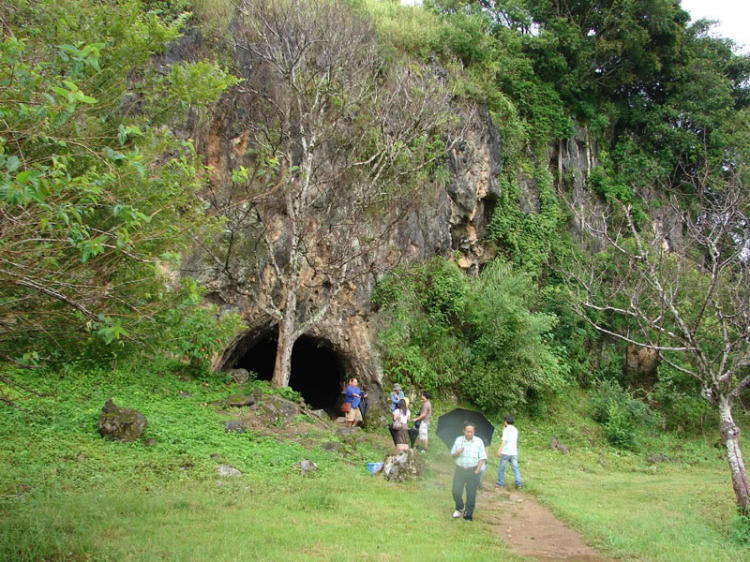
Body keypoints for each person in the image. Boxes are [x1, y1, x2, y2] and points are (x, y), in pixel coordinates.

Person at [450, 423, 486, 521]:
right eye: (467, 431)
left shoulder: (479, 441)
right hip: (460, 469)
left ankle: (468, 514)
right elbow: (452, 454)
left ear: (474, 432)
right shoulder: (459, 440)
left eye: (471, 431)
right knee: (456, 491)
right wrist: (458, 452)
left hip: (473, 470)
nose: (469, 433)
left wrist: (477, 470)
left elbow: (482, 457)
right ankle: (459, 507)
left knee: (471, 493)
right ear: (464, 431)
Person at [496, 415, 522, 490]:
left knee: (502, 468)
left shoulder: (506, 430)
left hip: (506, 452)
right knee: (515, 468)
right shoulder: (515, 430)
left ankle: (500, 483)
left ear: (506, 422)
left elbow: (504, 441)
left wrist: (499, 450)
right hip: (514, 452)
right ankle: (519, 483)